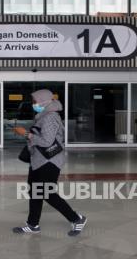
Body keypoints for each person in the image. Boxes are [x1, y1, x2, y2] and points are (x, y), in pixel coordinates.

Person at [12, 89, 87, 237]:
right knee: (35, 192)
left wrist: (26, 134)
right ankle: (33, 224)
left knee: (46, 192)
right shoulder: (43, 116)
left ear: (44, 102)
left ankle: (77, 219)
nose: (33, 104)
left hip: (50, 161)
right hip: (38, 161)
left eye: (35, 101)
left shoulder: (50, 117)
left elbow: (47, 142)